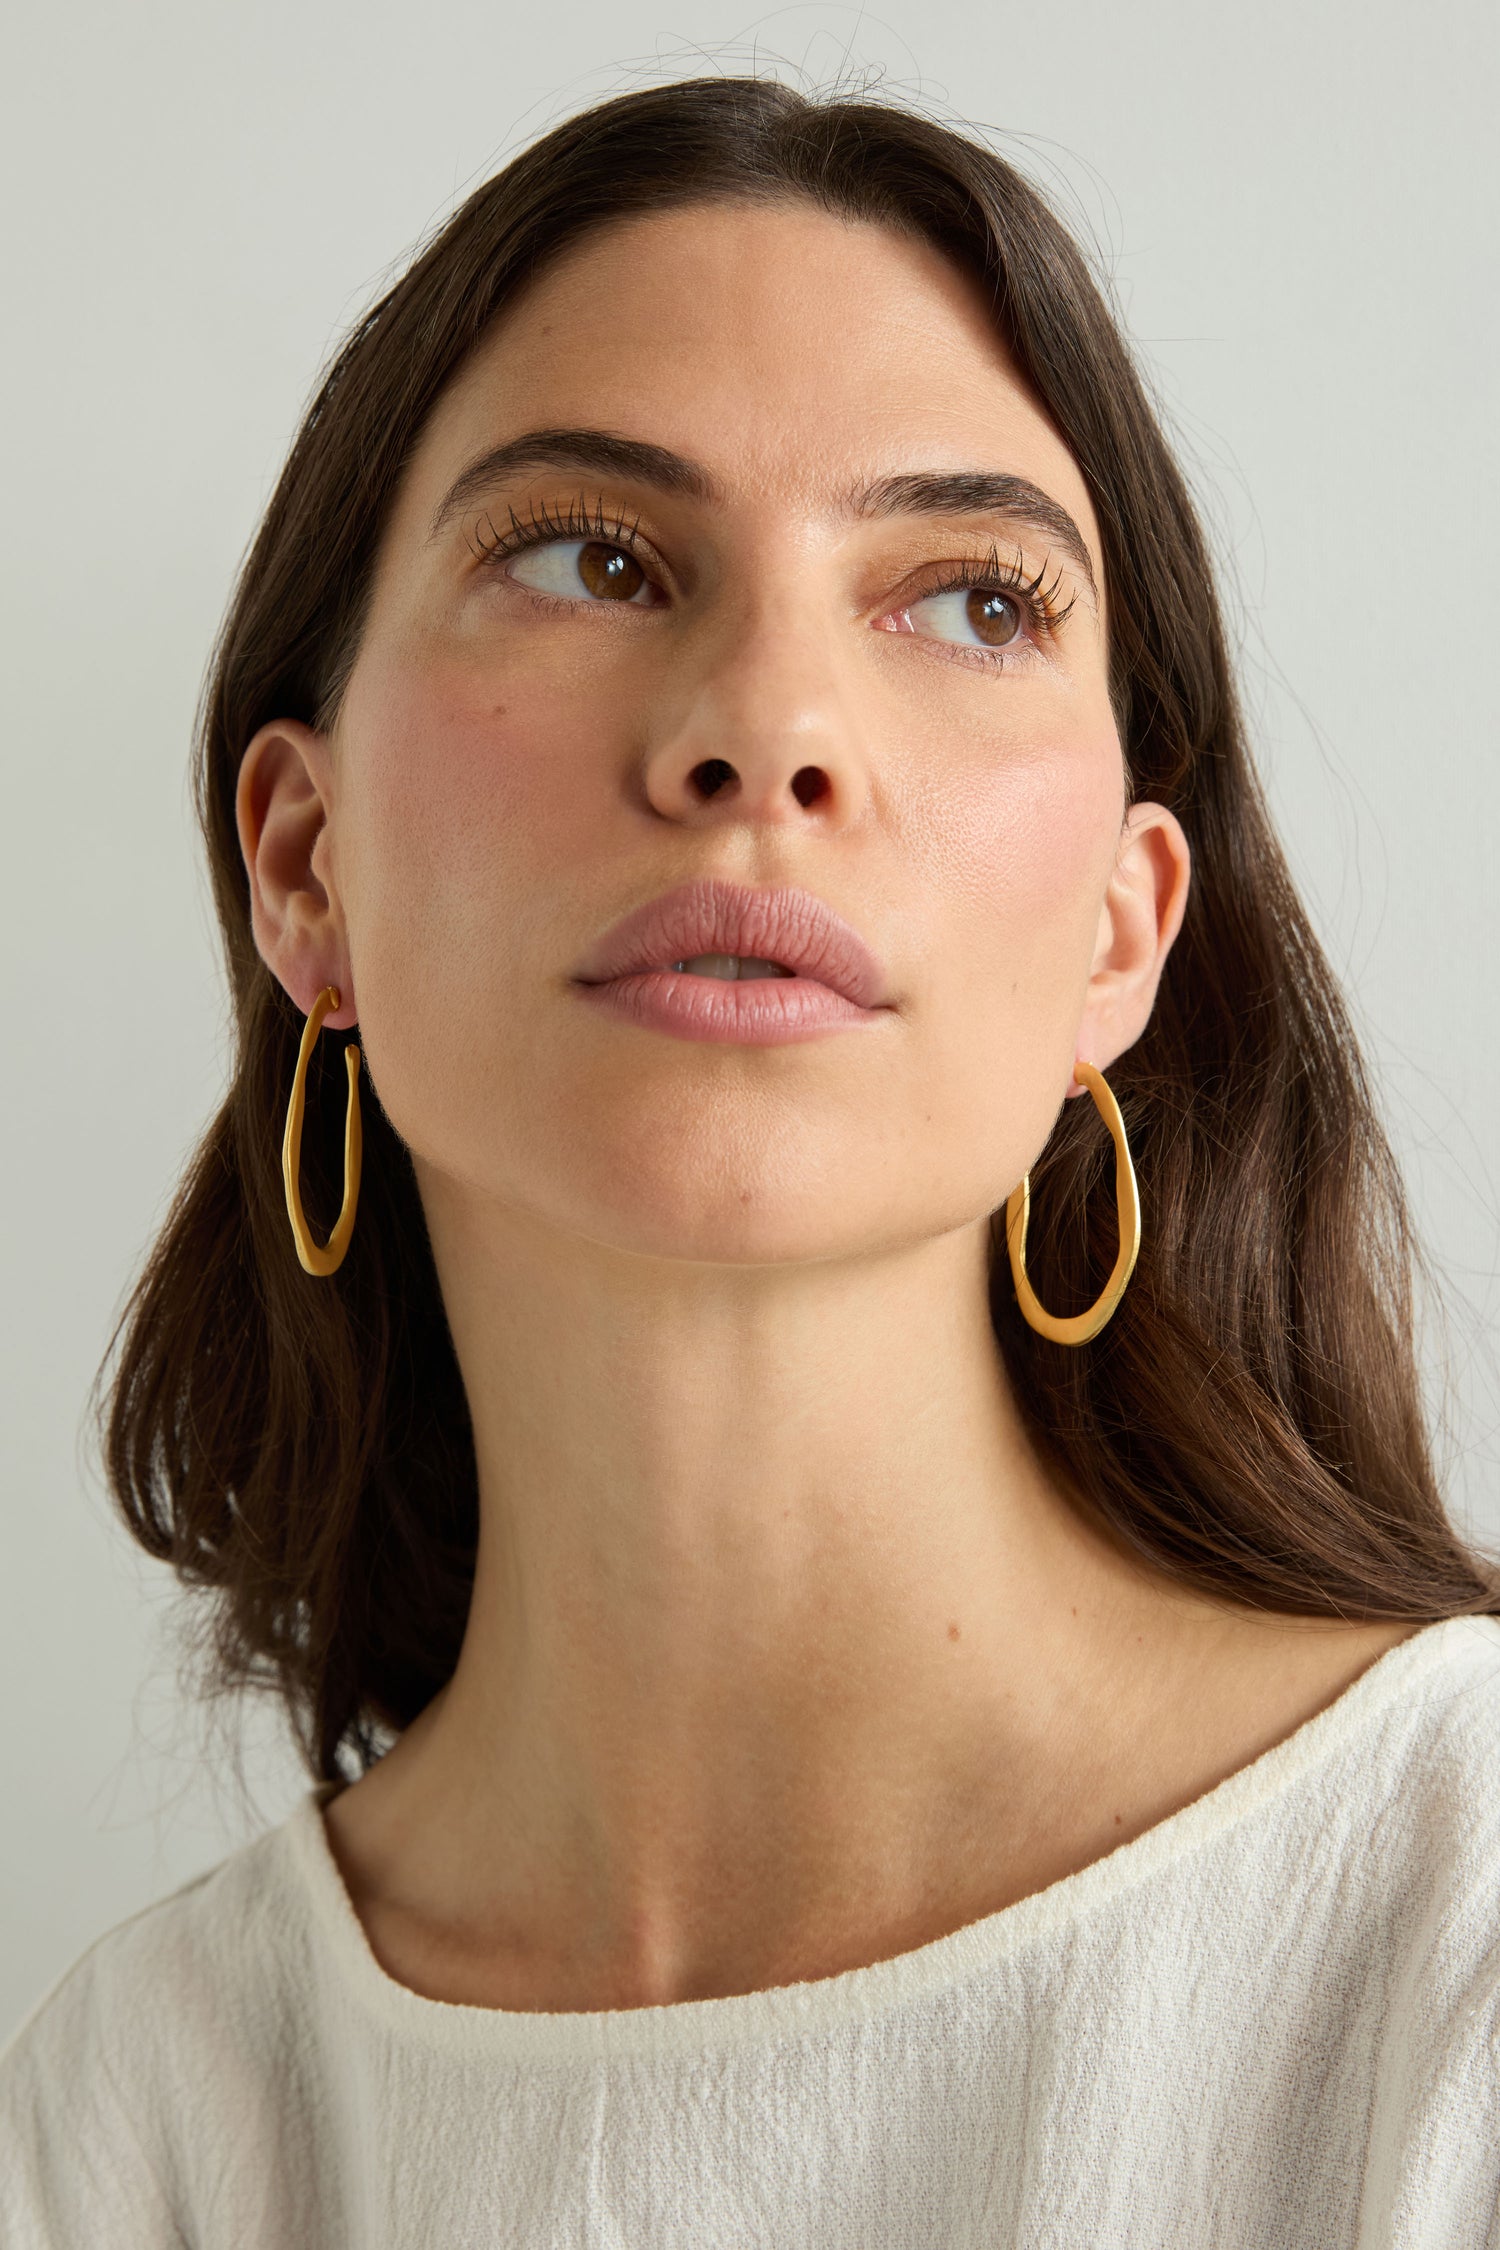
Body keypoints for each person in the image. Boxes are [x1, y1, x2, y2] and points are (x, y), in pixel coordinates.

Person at [3, 71, 1497, 2247]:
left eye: (972, 600)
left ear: (1120, 929)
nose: (766, 728)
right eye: (594, 556)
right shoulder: (138, 2122)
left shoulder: (1450, 1924)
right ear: (305, 863)